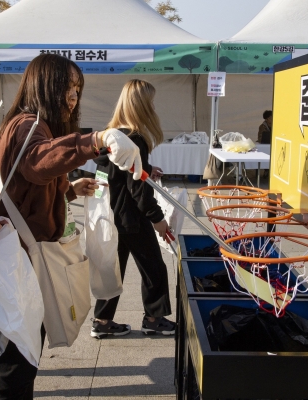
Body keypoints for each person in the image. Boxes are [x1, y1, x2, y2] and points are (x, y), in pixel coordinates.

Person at [0, 53, 142, 399]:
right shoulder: (28, 125)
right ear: (45, 86)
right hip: (20, 259)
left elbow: (29, 187)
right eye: (66, 88)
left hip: (22, 256)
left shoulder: (33, 122)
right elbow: (39, 162)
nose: (73, 97)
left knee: (23, 351)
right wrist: (95, 140)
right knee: (17, 358)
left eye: (77, 89)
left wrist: (69, 191)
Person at [91, 79, 176, 339]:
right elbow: (138, 189)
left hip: (111, 213)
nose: (153, 107)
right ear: (141, 106)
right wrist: (158, 220)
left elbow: (115, 175)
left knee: (113, 269)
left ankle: (102, 321)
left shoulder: (111, 134)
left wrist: (148, 170)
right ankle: (154, 318)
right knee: (154, 269)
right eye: (150, 102)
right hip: (132, 218)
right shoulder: (135, 139)